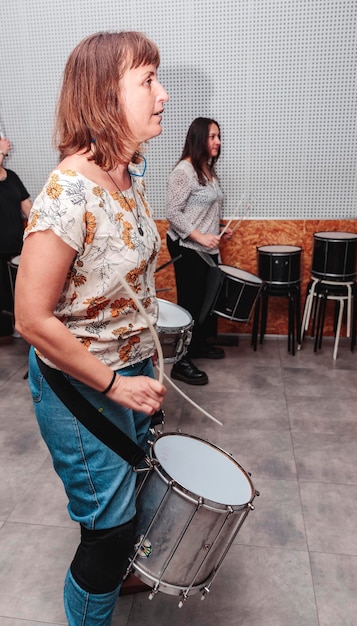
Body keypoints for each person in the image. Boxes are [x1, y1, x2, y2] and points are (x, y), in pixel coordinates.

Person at [14, 31, 168, 625]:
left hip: (129, 372)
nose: (163, 94)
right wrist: (114, 384)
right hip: (80, 385)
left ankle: (123, 571)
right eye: (148, 81)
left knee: (131, 499)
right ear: (106, 95)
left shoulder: (129, 176)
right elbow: (31, 318)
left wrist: (143, 371)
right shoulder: (68, 190)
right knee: (107, 534)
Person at [166, 117, 232, 385]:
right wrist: (199, 236)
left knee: (207, 300)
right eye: (212, 136)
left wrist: (219, 229)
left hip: (205, 244)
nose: (218, 142)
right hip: (187, 246)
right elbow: (173, 212)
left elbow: (205, 209)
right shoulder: (185, 170)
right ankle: (180, 362)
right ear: (199, 138)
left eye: (218, 136)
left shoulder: (207, 170)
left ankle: (198, 345)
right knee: (190, 302)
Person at [0, 137, 32, 335]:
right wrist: (1, 151)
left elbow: (28, 207)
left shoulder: (11, 176)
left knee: (21, 293)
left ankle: (22, 328)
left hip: (17, 247)